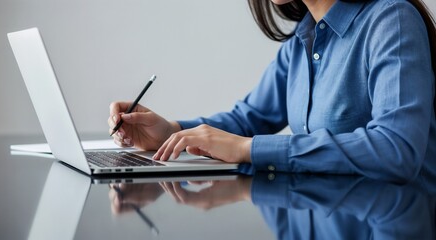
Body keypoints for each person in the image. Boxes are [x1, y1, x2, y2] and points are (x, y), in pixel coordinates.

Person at [108, 0, 436, 183]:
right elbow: (250, 118)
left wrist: (251, 149)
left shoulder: (391, 19)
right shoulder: (301, 40)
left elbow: (397, 149)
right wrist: (172, 132)